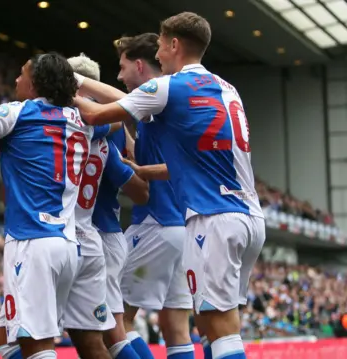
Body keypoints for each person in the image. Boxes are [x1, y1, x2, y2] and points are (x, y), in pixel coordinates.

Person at [72, 12, 265, 359]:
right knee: (209, 326)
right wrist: (144, 170)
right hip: (249, 217)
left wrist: (64, 83)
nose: (158, 55)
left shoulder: (168, 87)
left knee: (125, 321)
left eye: (160, 45)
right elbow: (186, 162)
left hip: (209, 219)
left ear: (174, 45)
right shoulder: (226, 88)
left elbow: (96, 114)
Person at [0, 53, 110, 359]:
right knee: (7, 341)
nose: (16, 80)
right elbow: (121, 109)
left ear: (36, 84)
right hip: (67, 246)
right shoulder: (84, 121)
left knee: (37, 347)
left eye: (22, 75)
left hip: (32, 242)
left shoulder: (20, 113)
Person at [114, 33, 194, 359]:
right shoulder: (168, 105)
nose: (119, 77)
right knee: (176, 327)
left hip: (155, 224)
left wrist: (76, 85)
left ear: (137, 65)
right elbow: (151, 155)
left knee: (112, 318)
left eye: (121, 68)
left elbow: (110, 104)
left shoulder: (155, 95)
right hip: (181, 230)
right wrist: (133, 156)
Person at [67, 53, 148, 359]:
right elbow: (138, 191)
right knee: (114, 331)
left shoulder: (77, 128)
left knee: (110, 334)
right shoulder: (105, 133)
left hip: (91, 235)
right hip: (102, 234)